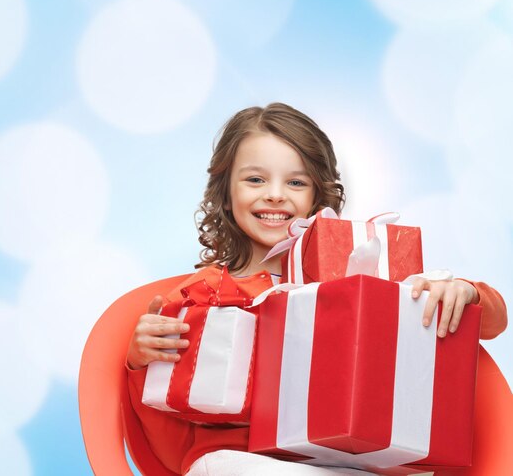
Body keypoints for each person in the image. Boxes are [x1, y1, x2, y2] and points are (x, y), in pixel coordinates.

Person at [125, 103, 508, 475]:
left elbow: (489, 324)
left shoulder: (354, 281)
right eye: (255, 179)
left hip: (342, 460)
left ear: (317, 197)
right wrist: (141, 360)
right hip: (233, 460)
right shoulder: (205, 293)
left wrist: (465, 292)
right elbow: (165, 422)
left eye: (295, 182)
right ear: (225, 193)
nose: (275, 194)